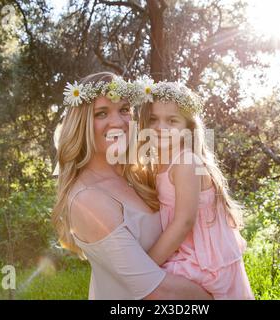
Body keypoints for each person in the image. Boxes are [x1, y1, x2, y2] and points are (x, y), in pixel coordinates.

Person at [51, 71, 213, 300]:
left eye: (125, 110)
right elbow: (156, 291)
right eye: (101, 113)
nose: (118, 122)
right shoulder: (88, 200)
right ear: (81, 124)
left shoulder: (137, 177)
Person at [132, 79, 255, 300]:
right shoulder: (159, 163)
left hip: (204, 261)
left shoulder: (186, 162)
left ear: (187, 128)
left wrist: (146, 265)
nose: (161, 128)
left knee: (147, 288)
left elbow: (184, 222)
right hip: (184, 252)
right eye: (153, 119)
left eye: (172, 121)